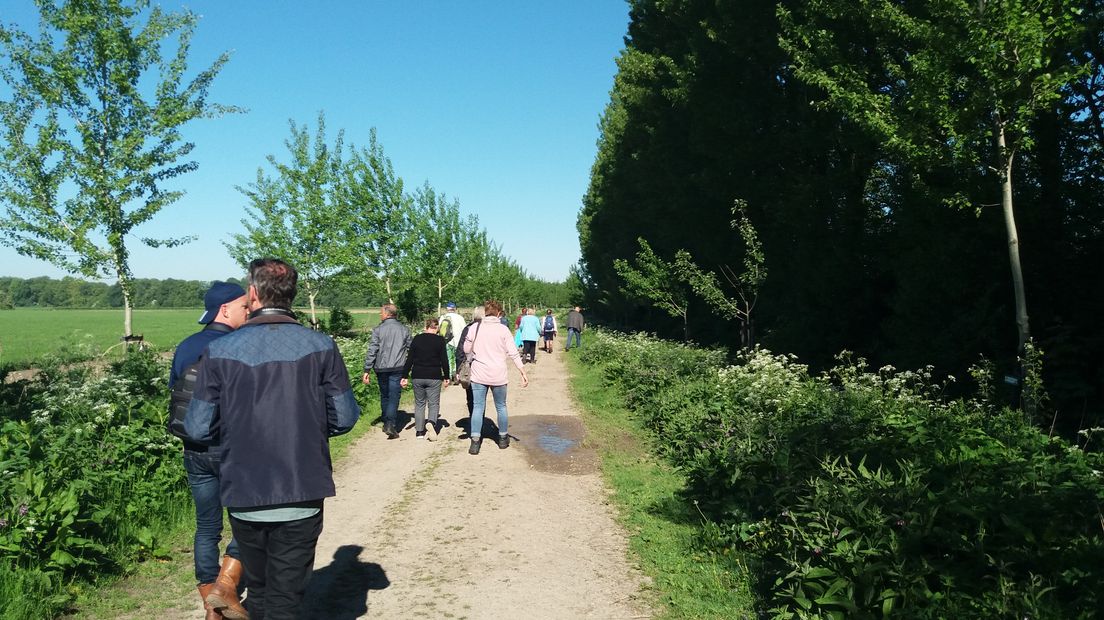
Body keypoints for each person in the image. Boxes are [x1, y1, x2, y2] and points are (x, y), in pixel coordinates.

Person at [183, 258, 361, 619]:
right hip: (302, 488)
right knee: (286, 598)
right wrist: (306, 427)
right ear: (292, 294)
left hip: (245, 492)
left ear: (252, 294)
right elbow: (344, 417)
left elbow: (198, 426)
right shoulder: (321, 346)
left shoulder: (219, 351)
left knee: (261, 592)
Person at [170, 281, 251, 620]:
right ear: (225, 309)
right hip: (233, 447)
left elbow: (176, 391)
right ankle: (224, 587)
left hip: (193, 447)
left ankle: (209, 599)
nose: (249, 312)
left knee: (206, 525)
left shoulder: (185, 346)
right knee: (246, 521)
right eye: (245, 307)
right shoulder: (238, 345)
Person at [462, 300, 529, 455]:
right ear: (499, 313)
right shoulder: (503, 330)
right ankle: (503, 438)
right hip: (498, 374)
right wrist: (522, 371)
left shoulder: (474, 328)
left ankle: (475, 442)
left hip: (479, 374)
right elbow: (513, 352)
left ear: (485, 312)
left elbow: (466, 349)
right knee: (501, 406)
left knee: (478, 407)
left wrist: (475, 355)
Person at [362, 304, 412, 439]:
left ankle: (386, 422)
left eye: (381, 313)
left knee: (384, 395)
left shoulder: (377, 330)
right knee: (394, 396)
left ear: (387, 314)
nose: (380, 315)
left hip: (381, 368)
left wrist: (367, 369)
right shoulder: (404, 329)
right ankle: (390, 423)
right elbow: (410, 348)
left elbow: (372, 350)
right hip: (398, 367)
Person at [400, 318, 450, 440]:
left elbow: (410, 358)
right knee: (433, 403)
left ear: (426, 326)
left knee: (419, 403)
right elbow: (444, 360)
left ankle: (419, 431)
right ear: (437, 328)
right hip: (434, 376)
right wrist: (446, 377)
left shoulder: (417, 339)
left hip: (418, 375)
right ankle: (431, 422)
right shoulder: (440, 340)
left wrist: (404, 376)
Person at [453, 306, 484, 417]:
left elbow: (460, 351)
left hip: (469, 367)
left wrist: (458, 369)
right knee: (481, 397)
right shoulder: (489, 329)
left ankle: (473, 419)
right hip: (484, 366)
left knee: (471, 396)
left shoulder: (468, 329)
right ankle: (480, 421)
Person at [438, 301, 466, 378]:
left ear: (447, 308)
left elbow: (440, 330)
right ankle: (456, 374)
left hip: (446, 341)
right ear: (455, 308)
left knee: (448, 359)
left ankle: (449, 375)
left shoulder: (443, 317)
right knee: (457, 359)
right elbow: (465, 330)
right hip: (458, 342)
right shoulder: (460, 318)